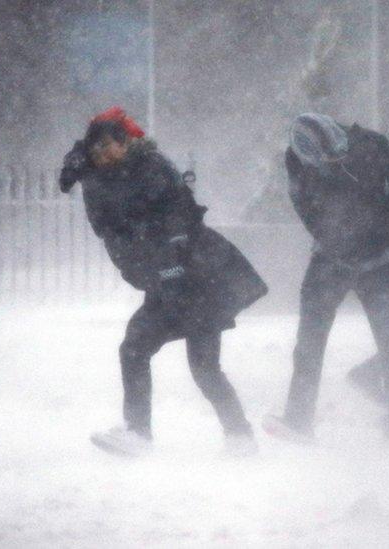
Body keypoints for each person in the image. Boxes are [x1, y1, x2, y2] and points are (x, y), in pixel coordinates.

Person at [58, 107, 268, 457]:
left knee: (199, 366)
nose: (103, 154)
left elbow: (180, 216)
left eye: (109, 145)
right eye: (96, 150)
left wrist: (173, 261)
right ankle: (143, 435)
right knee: (139, 351)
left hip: (196, 280)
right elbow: (111, 221)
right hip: (166, 282)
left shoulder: (151, 168)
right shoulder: (102, 177)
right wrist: (78, 161)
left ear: (126, 142)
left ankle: (238, 437)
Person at [264, 113, 389, 442]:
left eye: (339, 157)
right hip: (330, 258)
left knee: (388, 335)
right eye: (327, 162)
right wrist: (334, 238)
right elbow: (305, 208)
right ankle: (298, 418)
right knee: (309, 340)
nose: (335, 164)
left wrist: (381, 223)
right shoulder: (297, 160)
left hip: (378, 256)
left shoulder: (371, 144)